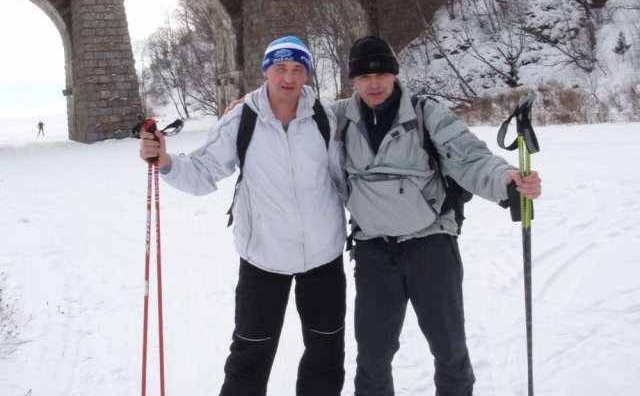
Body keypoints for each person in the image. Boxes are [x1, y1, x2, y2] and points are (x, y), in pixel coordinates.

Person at [331, 35, 542, 396]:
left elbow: (470, 157)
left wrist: (506, 179)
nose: (374, 83)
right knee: (372, 356)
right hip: (373, 251)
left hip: (431, 247)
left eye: (382, 73)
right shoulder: (339, 118)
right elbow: (290, 116)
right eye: (364, 77)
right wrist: (247, 108)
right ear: (353, 81)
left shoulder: (426, 113)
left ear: (394, 75)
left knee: (449, 350)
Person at [138, 36, 348, 396]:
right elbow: (204, 172)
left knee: (326, 355)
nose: (289, 77)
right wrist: (166, 162)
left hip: (323, 256)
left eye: (298, 69)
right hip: (263, 257)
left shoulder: (323, 118)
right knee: (250, 356)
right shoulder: (242, 118)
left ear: (307, 75)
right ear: (266, 69)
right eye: (280, 68)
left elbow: (343, 178)